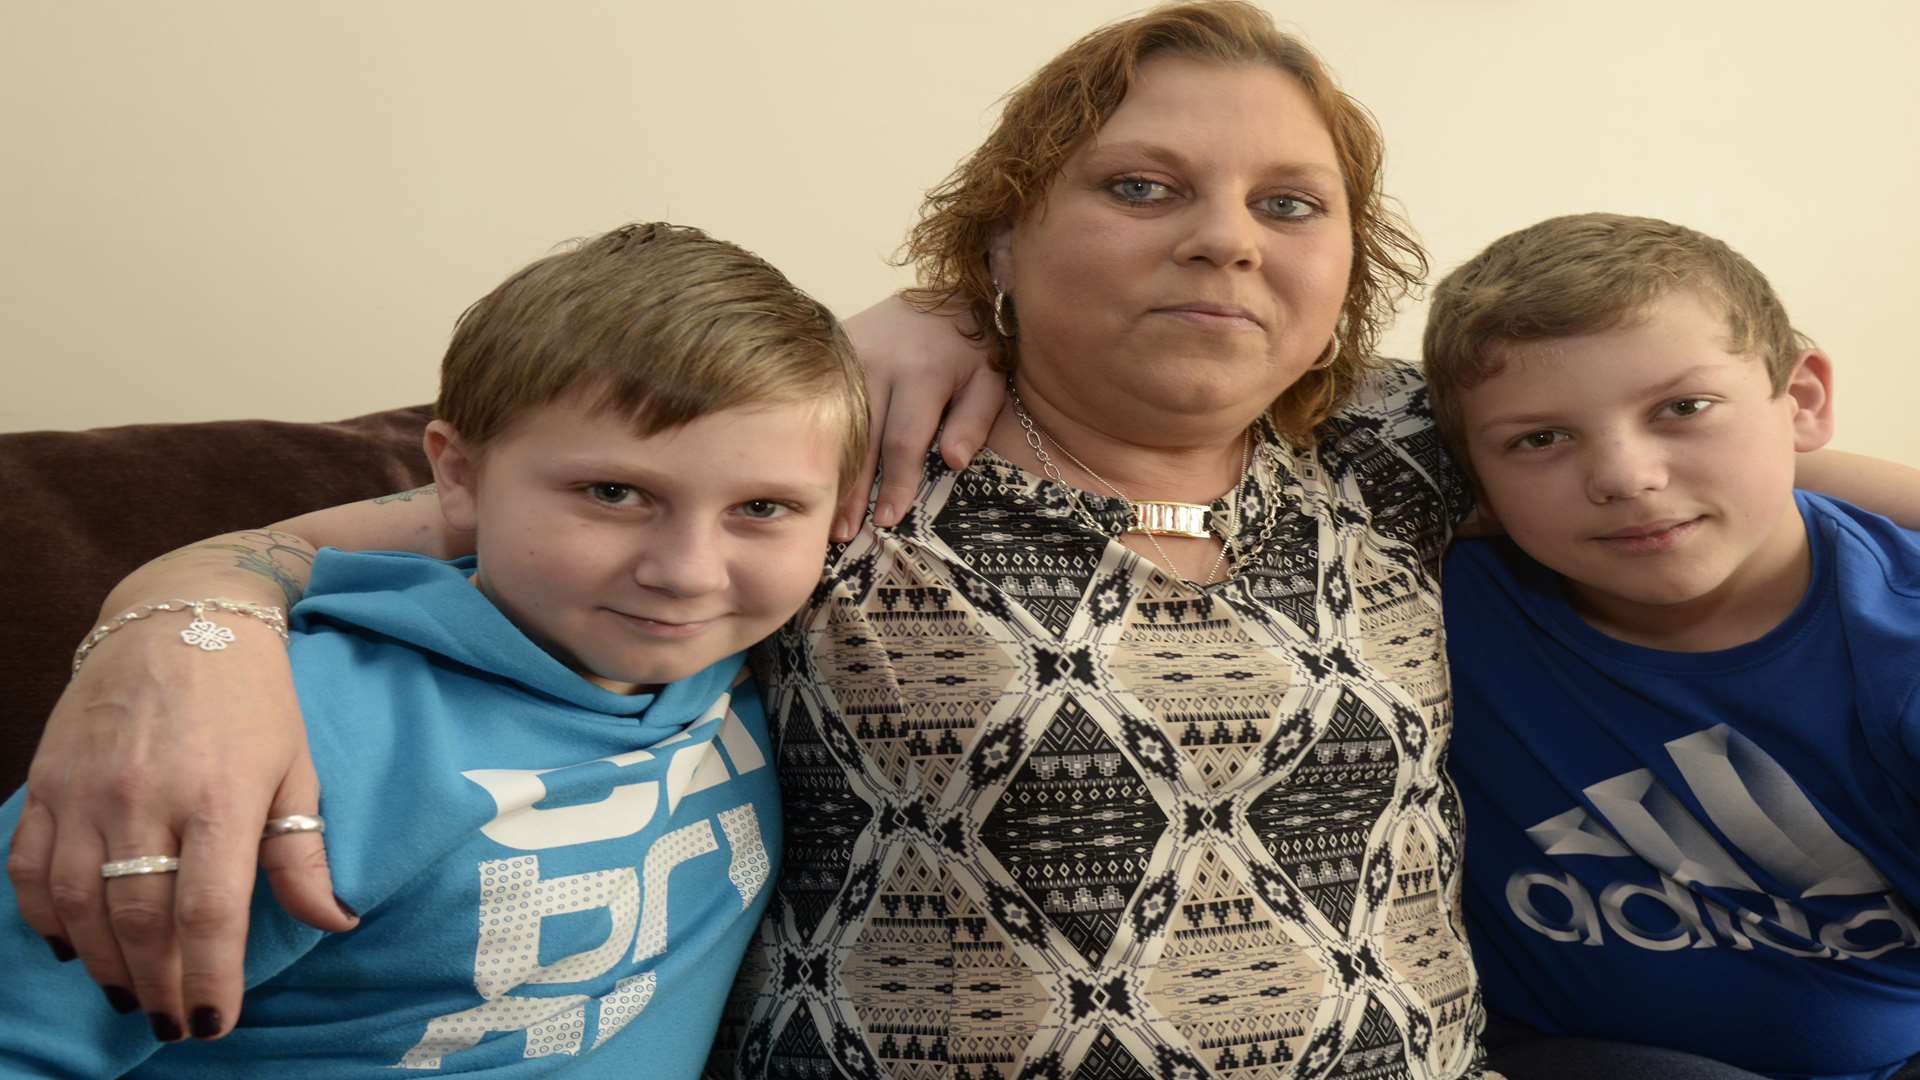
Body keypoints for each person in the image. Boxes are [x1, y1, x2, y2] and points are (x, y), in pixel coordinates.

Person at [11, 4, 1918, 1077]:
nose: (1225, 240)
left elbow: (1752, 458)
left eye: (1291, 203)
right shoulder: (843, 453)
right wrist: (185, 606)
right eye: (1143, 186)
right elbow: (475, 512)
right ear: (997, 240)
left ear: (1349, 278)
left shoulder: (1404, 455)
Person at [0, 221, 869, 1074]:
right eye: (613, 493)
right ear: (456, 476)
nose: (686, 573)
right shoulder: (267, 734)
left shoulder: (755, 654)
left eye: (761, 509)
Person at [1423, 214, 1920, 1080]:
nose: (1625, 477)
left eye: (1683, 409)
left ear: (1801, 402)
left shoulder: (1895, 650)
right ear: (1473, 480)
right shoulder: (1428, 596)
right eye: (1540, 439)